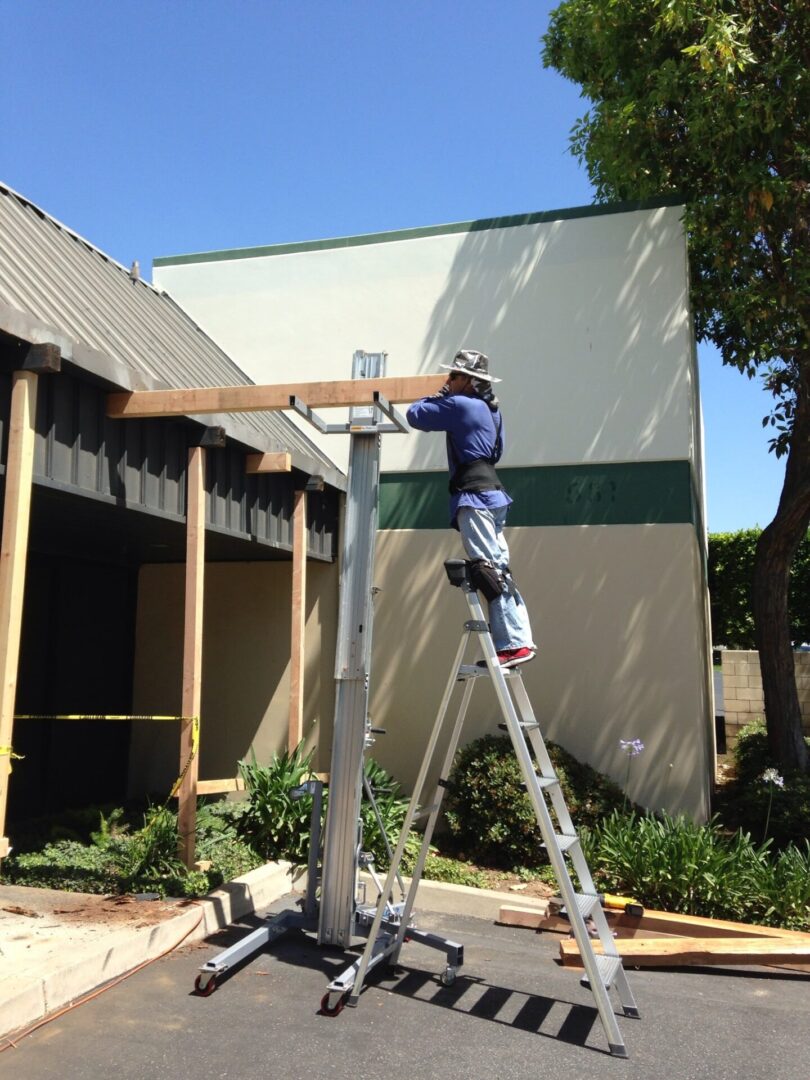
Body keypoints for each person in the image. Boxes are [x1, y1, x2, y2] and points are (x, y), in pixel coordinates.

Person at [406, 349, 535, 667]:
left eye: (453, 376)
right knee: (499, 569)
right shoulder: (492, 411)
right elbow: (497, 451)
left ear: (468, 380)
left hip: (474, 497)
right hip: (493, 494)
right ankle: (516, 641)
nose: (448, 380)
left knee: (487, 570)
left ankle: (511, 644)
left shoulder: (459, 403)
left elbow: (415, 414)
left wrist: (441, 395)